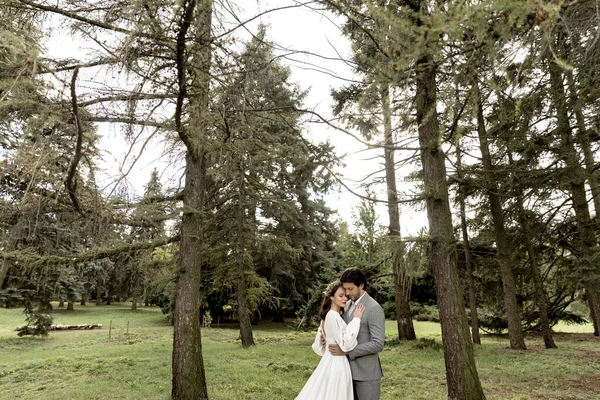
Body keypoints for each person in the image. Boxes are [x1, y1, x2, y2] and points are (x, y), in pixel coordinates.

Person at [295, 280, 365, 400]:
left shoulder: (328, 316)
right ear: (332, 297)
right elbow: (346, 345)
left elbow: (318, 346)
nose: (345, 299)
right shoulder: (332, 316)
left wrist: (325, 341)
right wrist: (356, 320)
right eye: (341, 295)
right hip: (337, 364)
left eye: (346, 296)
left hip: (330, 361)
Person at [329, 267, 385, 400]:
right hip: (346, 372)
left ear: (361, 285)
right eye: (345, 289)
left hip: (367, 375)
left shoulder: (374, 308)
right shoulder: (347, 305)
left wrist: (347, 351)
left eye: (350, 289)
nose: (347, 293)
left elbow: (378, 344)